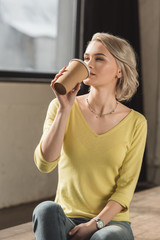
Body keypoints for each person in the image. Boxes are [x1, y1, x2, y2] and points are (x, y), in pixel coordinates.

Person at [32, 32, 147, 240]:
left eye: (99, 58)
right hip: (66, 218)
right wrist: (64, 109)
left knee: (106, 237)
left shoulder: (136, 123)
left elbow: (125, 189)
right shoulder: (60, 107)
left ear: (119, 70)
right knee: (44, 209)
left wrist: (95, 224)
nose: (89, 64)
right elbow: (45, 164)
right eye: (86, 58)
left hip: (110, 223)